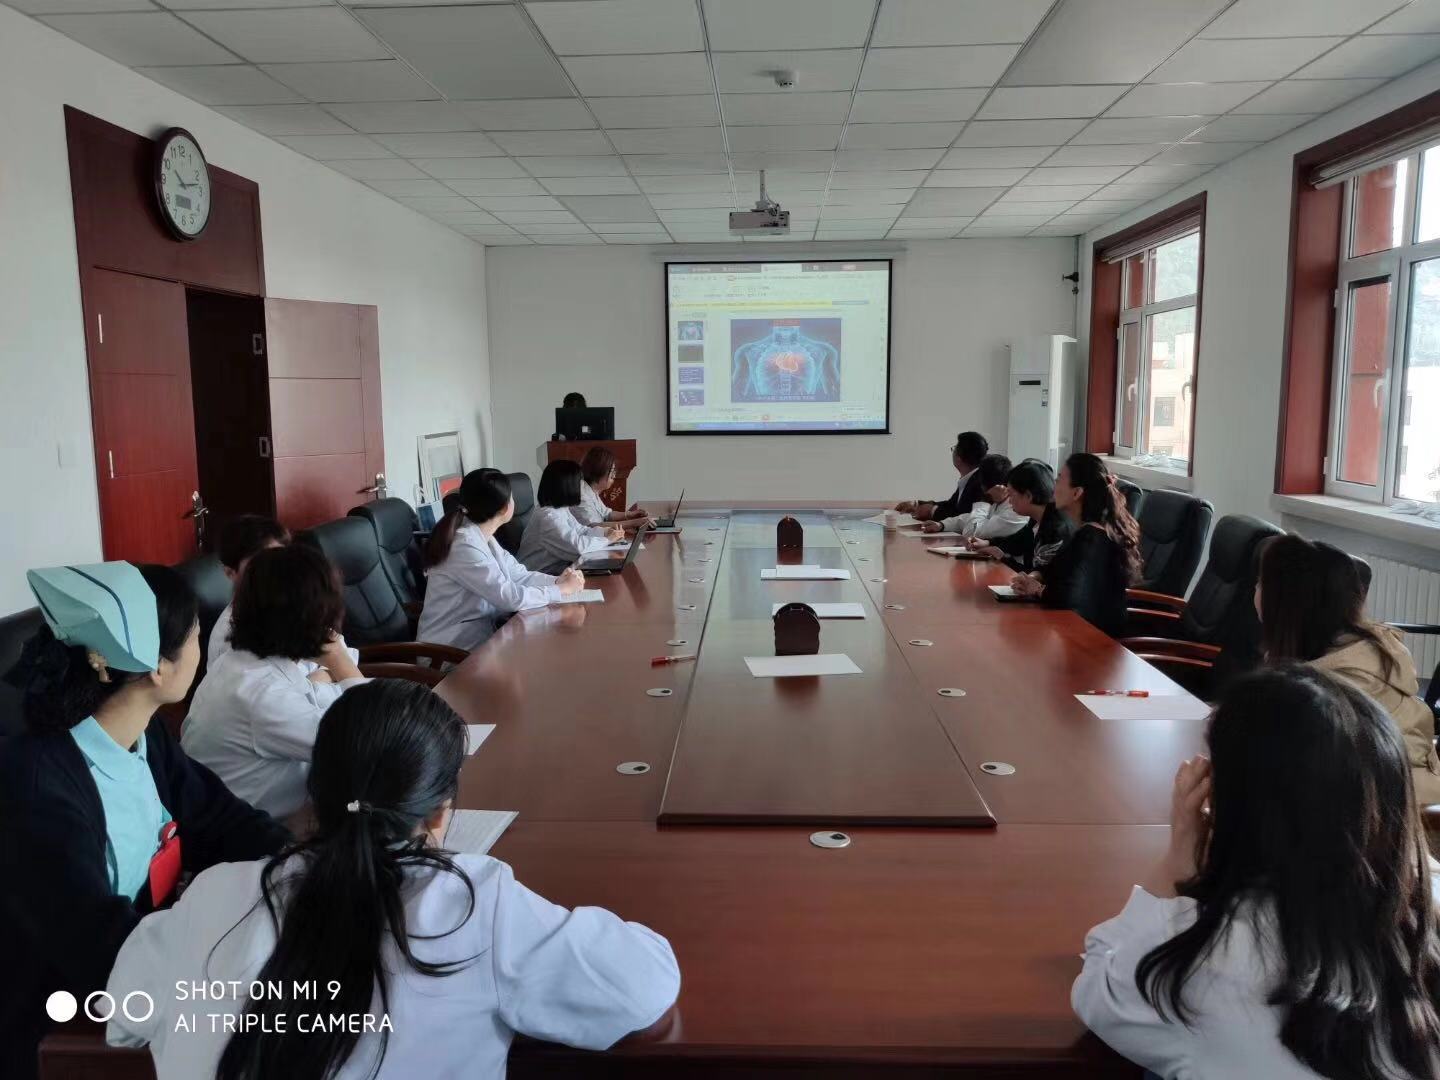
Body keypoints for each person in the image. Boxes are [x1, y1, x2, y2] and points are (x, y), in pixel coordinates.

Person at [106, 679, 681, 1080]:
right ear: (440, 814)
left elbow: (125, 1017)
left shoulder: (213, 895)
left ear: (314, 794)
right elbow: (643, 985)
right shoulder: (471, 904)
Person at [1073, 665, 1440, 1080]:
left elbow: (1097, 986)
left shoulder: (1197, 964)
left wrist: (1178, 855)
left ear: (1237, 805)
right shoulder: (1420, 935)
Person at [0, 562, 288, 1080]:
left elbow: (218, 816)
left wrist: (301, 862)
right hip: (63, 1023)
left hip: (142, 962)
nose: (202, 648)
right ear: (157, 668)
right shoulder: (37, 789)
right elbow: (94, 943)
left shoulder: (141, 735)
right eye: (196, 636)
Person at [182, 545, 368, 822]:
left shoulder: (243, 663)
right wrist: (340, 662)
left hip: (265, 819)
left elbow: (319, 703)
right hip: (261, 837)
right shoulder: (261, 694)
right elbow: (373, 740)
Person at [1256, 533, 1440, 805]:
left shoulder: (1330, 692)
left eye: (1261, 583)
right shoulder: (1340, 650)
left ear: (1286, 603)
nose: (1256, 590)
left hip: (1395, 811)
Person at [419, 468, 584, 651]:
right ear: (506, 507)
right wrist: (560, 589)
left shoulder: (484, 537)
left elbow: (519, 575)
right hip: (448, 653)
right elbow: (509, 598)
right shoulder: (464, 546)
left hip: (480, 642)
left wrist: (558, 581)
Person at [1010, 453, 1140, 637]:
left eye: (1059, 479)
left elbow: (1069, 595)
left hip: (1094, 640)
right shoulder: (1086, 531)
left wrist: (1037, 589)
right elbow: (1058, 571)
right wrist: (1036, 576)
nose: (1054, 485)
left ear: (1077, 493)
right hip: (1077, 631)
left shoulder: (1090, 539)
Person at [209, 514, 289, 668]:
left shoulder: (293, 599)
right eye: (262, 564)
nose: (276, 570)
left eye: (282, 559)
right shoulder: (232, 634)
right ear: (230, 573)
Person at [518, 459, 625, 575]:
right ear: (567, 486)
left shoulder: (560, 509)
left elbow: (581, 531)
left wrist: (604, 532)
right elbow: (577, 548)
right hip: (538, 577)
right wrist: (608, 540)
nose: (581, 487)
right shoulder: (548, 517)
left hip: (558, 570)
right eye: (579, 483)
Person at [969, 459, 1072, 571]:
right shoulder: (1037, 519)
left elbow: (1037, 576)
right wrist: (988, 543)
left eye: (1011, 494)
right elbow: (1017, 541)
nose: (1009, 500)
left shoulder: (1055, 530)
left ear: (1028, 496)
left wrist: (1002, 558)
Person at [918, 453, 1024, 541]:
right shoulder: (999, 501)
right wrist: (941, 525)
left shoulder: (1015, 511)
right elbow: (967, 519)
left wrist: (984, 500)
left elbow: (970, 533)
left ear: (983, 485)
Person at [894, 430, 989, 521]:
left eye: (954, 448)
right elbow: (951, 505)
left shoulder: (980, 483)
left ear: (959, 457)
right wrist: (917, 504)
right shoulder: (971, 478)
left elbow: (961, 516)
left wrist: (932, 511)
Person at [575, 446, 651, 532]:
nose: (614, 476)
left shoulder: (591, 490)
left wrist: (631, 515)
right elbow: (594, 526)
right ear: (599, 470)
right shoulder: (580, 493)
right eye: (612, 471)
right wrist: (634, 523)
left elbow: (607, 514)